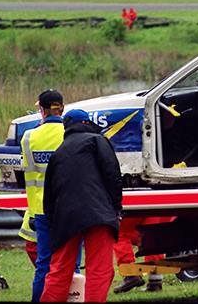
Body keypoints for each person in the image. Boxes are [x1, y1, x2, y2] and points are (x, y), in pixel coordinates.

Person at [40, 109, 122, 303]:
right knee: (99, 270)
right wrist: (116, 208)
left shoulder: (58, 152)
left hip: (66, 217)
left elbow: (48, 193)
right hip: (98, 214)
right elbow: (112, 175)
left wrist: (53, 221)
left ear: (66, 127)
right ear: (86, 123)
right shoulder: (97, 140)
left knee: (60, 270)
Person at [21, 89, 65, 302]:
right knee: (70, 262)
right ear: (62, 108)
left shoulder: (29, 137)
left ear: (42, 110)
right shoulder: (70, 133)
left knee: (44, 263)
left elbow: (27, 172)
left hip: (40, 209)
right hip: (67, 208)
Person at [113, 216, 175, 293]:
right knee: (152, 235)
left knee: (119, 233)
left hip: (134, 205)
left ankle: (131, 274)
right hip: (159, 206)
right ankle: (155, 282)